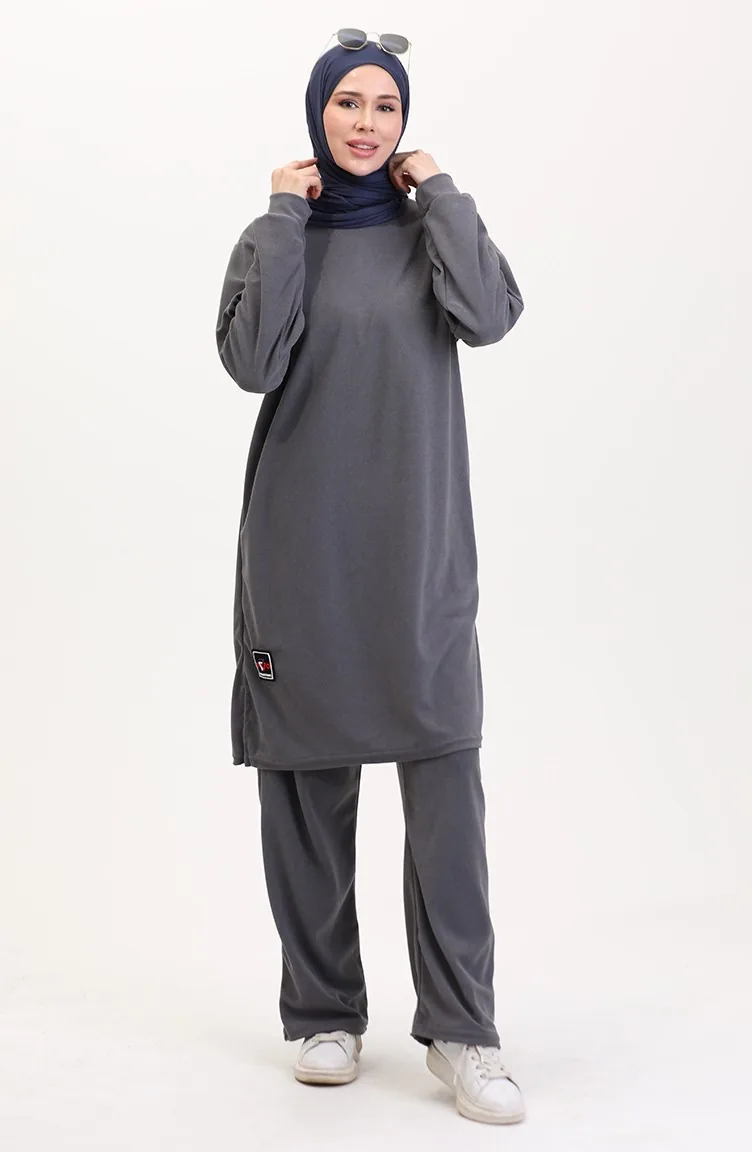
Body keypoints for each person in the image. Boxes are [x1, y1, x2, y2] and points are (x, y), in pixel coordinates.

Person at [214, 30, 526, 1125]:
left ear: (404, 122)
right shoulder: (276, 235)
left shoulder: (430, 228)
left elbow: (490, 315)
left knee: (445, 796)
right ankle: (322, 1014)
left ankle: (463, 1031)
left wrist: (440, 191)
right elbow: (251, 362)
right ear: (317, 115)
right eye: (346, 103)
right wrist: (280, 217)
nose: (364, 123)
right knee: (305, 790)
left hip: (419, 559)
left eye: (384, 106)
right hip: (301, 558)